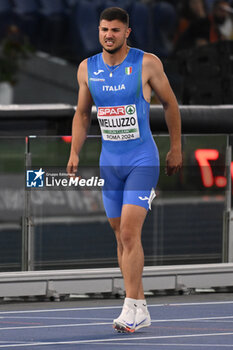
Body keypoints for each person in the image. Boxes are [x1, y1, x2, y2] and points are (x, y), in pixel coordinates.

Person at [67, 7, 182, 333]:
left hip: (141, 161)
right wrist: (75, 151)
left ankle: (131, 307)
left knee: (130, 234)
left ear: (127, 32)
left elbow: (171, 104)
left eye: (115, 30)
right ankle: (139, 305)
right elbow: (82, 113)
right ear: (99, 30)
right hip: (110, 164)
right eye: (104, 29)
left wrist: (176, 148)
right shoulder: (87, 68)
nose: (108, 35)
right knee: (120, 236)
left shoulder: (146, 63)